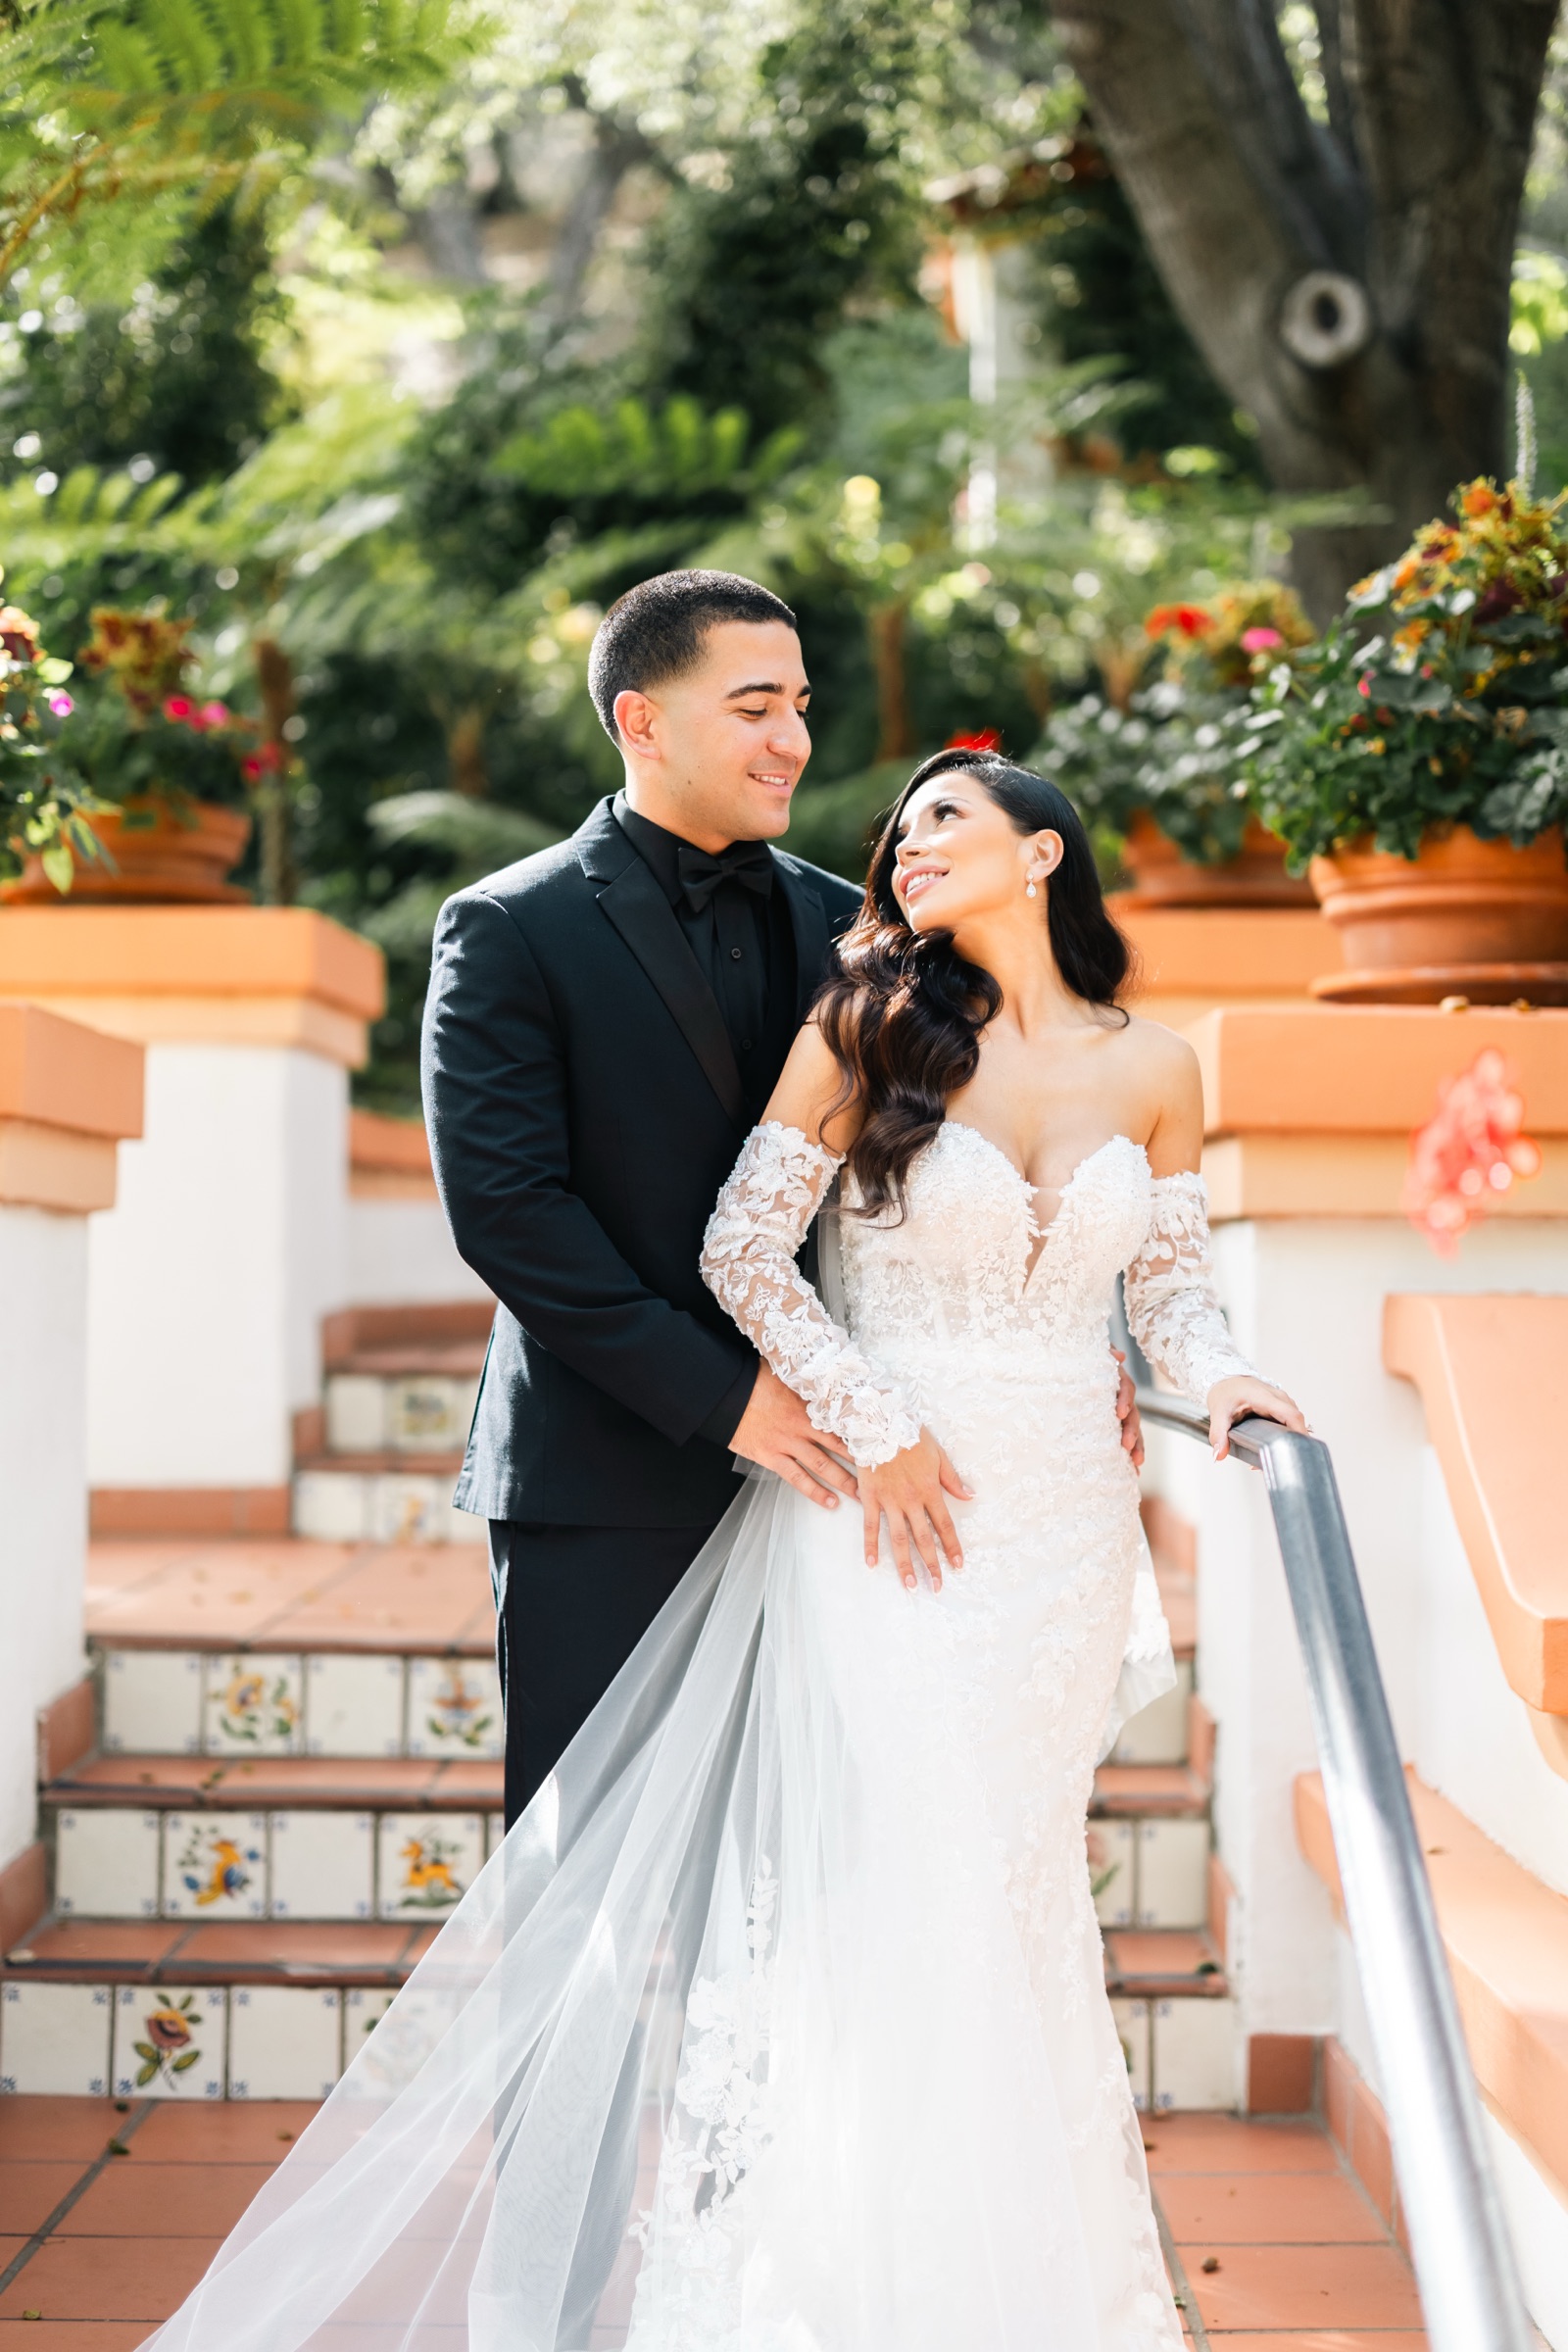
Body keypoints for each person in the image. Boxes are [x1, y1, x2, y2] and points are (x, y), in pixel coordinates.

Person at [141, 736, 1304, 2352]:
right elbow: (747, 1252)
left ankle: (1017, 2292)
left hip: (1064, 1532)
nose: (904, 846)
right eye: (897, 832)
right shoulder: (866, 1025)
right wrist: (869, 1419)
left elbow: (1168, 1292)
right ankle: (830, 2289)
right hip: (890, 1517)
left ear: (1047, 852)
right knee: (905, 1885)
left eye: (947, 820)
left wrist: (1218, 1374)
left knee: (1019, 1891)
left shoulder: (1160, 1066)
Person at [416, 567, 1142, 1823]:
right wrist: (729, 1398)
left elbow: (997, 1142)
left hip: (861, 1492)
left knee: (813, 1879)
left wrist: (1075, 1328)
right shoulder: (508, 926)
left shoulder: (861, 934)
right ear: (642, 721)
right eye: (756, 707)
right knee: (599, 1879)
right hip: (608, 1475)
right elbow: (509, 1216)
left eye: (801, 704)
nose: (794, 740)